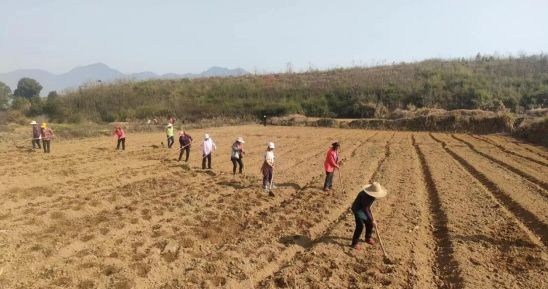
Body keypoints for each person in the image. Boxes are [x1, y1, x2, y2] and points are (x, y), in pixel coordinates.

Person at [351, 182, 388, 250]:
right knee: (360, 226)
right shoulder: (366, 196)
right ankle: (354, 243)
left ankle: (367, 238)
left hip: (364, 208)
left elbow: (367, 207)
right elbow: (365, 208)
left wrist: (371, 220)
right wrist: (371, 219)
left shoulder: (371, 196)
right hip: (357, 209)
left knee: (370, 224)